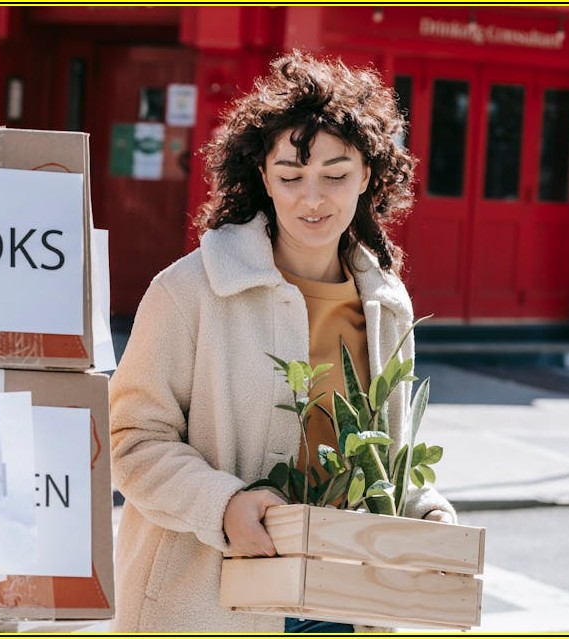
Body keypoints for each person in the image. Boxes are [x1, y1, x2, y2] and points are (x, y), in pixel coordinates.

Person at [109, 50, 457, 633]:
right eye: (292, 177)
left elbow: (385, 456)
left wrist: (425, 510)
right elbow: (130, 441)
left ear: (369, 174)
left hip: (346, 600)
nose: (312, 200)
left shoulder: (387, 303)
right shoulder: (189, 289)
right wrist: (224, 504)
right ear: (264, 177)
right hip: (206, 605)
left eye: (335, 175)